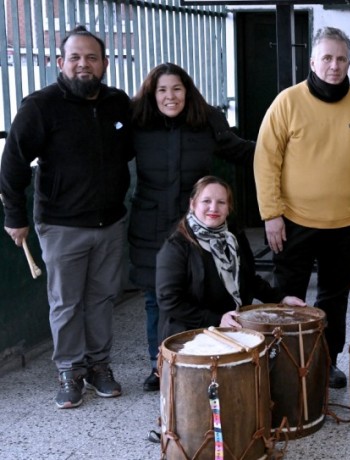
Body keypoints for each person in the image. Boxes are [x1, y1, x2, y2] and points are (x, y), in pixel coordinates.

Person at [0, 26, 131, 409]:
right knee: (66, 303)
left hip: (110, 222)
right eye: (74, 57)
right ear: (60, 63)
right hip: (61, 225)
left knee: (102, 298)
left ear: (105, 63)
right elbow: (13, 163)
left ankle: (99, 367)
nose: (83, 64)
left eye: (91, 57)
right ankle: (70, 372)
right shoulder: (40, 106)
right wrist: (15, 216)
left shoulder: (118, 103)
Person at [254, 27, 350, 389]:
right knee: (288, 296)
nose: (334, 65)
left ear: (349, 62)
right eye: (327, 58)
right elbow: (266, 160)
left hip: (348, 222)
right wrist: (271, 214)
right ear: (313, 61)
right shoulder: (287, 102)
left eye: (341, 58)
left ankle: (327, 361)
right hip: (293, 222)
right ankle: (283, 364)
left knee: (334, 296)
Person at [129, 63, 256, 392]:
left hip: (196, 222)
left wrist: (281, 149)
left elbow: (238, 150)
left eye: (176, 89)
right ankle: (160, 364)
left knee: (199, 292)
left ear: (188, 91)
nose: (170, 96)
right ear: (151, 94)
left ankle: (201, 357)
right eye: (162, 90)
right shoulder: (137, 123)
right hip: (151, 222)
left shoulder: (206, 121)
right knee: (156, 298)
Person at [155, 176, 305, 342]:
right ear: (193, 204)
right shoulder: (176, 246)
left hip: (233, 324)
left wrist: (281, 298)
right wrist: (217, 320)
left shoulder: (234, 237)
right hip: (191, 334)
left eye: (221, 202)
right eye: (206, 201)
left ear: (228, 208)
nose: (214, 208)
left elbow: (249, 279)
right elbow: (169, 301)